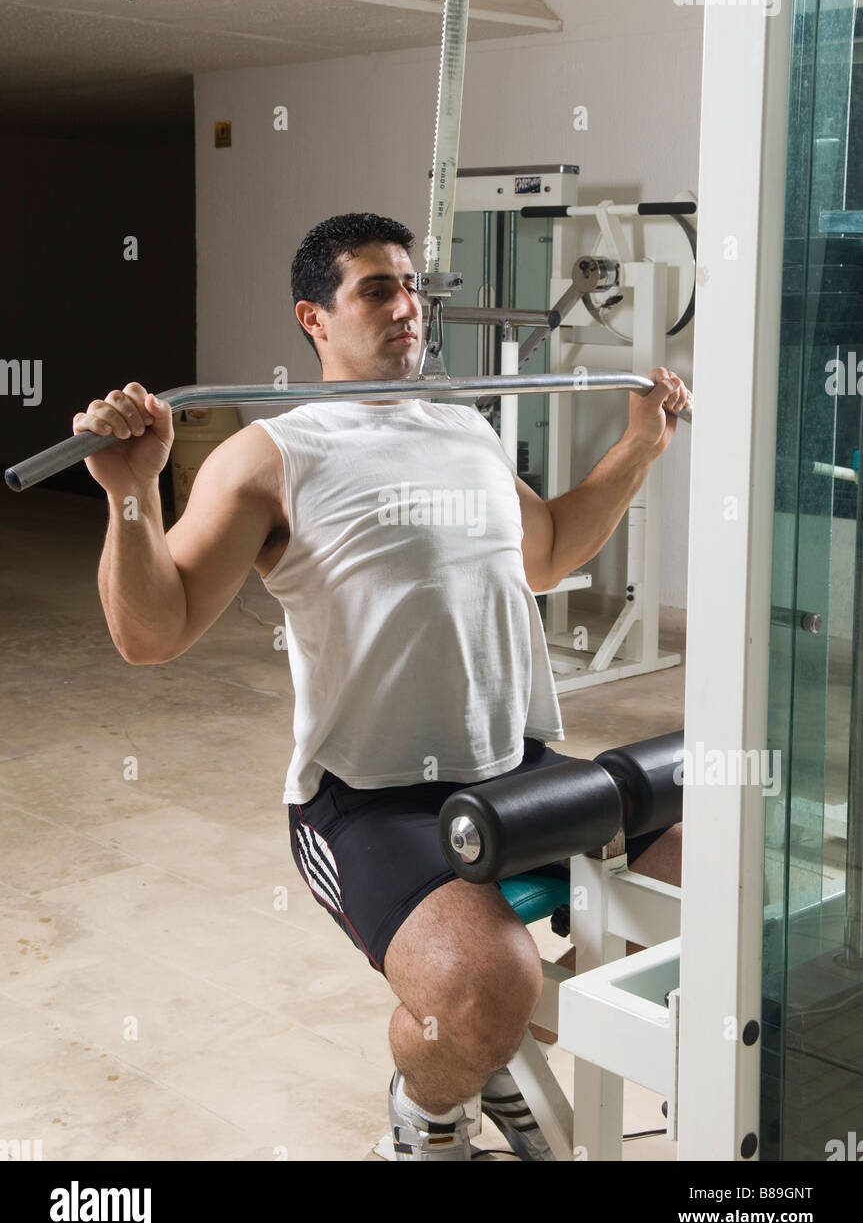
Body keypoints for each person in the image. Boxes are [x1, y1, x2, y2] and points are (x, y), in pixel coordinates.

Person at [73, 211, 691, 1162]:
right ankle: (427, 1114)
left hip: (516, 771)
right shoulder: (274, 455)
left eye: (412, 289)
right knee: (489, 984)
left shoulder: (466, 430)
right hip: (369, 802)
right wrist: (130, 490)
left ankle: (489, 1057)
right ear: (312, 318)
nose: (407, 308)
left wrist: (639, 446)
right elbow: (150, 635)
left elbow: (550, 552)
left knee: (704, 878)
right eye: (375, 289)